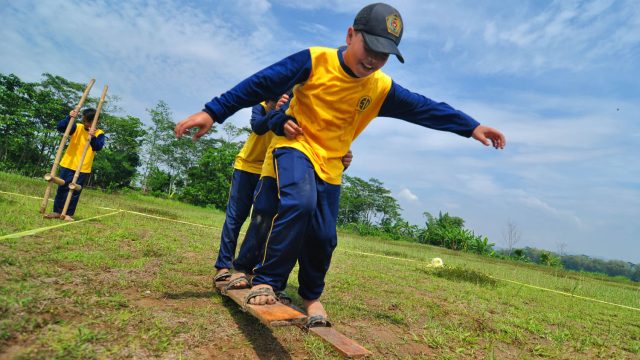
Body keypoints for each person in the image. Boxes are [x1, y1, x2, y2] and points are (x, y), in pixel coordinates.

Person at [175, 2, 505, 327]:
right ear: (351, 35)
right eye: (371, 46)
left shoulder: (380, 87)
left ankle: (311, 297)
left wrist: (470, 126)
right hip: (295, 147)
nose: (375, 59)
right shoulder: (314, 60)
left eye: (384, 53)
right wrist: (212, 112)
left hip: (331, 164)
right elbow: (260, 83)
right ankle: (268, 279)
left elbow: (424, 107)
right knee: (299, 203)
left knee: (323, 237)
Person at [213, 97, 282, 284]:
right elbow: (257, 126)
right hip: (246, 166)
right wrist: (272, 109)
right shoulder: (260, 106)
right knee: (235, 217)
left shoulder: (292, 109)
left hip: (268, 170)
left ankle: (250, 268)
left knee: (261, 221)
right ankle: (223, 266)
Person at [45, 108, 105, 221]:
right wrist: (69, 118)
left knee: (74, 192)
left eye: (88, 121)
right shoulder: (77, 127)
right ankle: (57, 212)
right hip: (69, 162)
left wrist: (92, 137)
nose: (85, 123)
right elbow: (61, 128)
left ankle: (68, 214)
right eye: (84, 120)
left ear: (95, 121)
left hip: (83, 167)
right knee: (62, 188)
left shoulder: (99, 133)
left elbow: (98, 147)